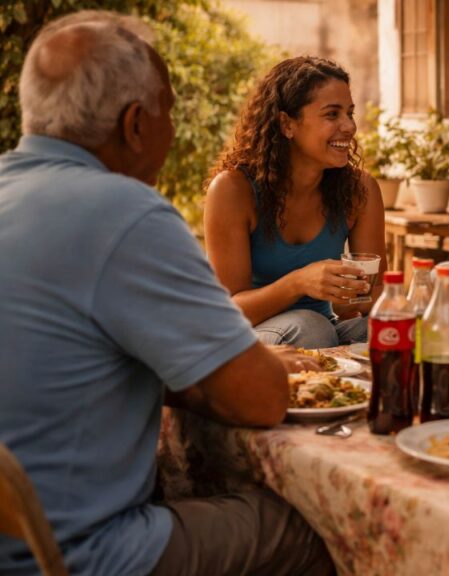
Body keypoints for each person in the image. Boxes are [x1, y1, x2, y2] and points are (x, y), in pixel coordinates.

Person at [0, 11, 333, 575]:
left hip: (19, 529)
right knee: (319, 524)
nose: (174, 128)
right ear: (135, 123)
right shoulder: (124, 213)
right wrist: (230, 370)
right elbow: (262, 399)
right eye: (171, 111)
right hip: (74, 552)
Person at [205, 56, 388, 349]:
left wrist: (356, 298)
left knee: (388, 332)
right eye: (332, 115)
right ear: (287, 124)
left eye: (349, 113)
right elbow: (228, 312)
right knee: (310, 327)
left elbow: (374, 295)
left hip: (322, 331)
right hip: (248, 339)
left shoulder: (359, 189)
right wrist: (299, 283)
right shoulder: (233, 191)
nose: (349, 127)